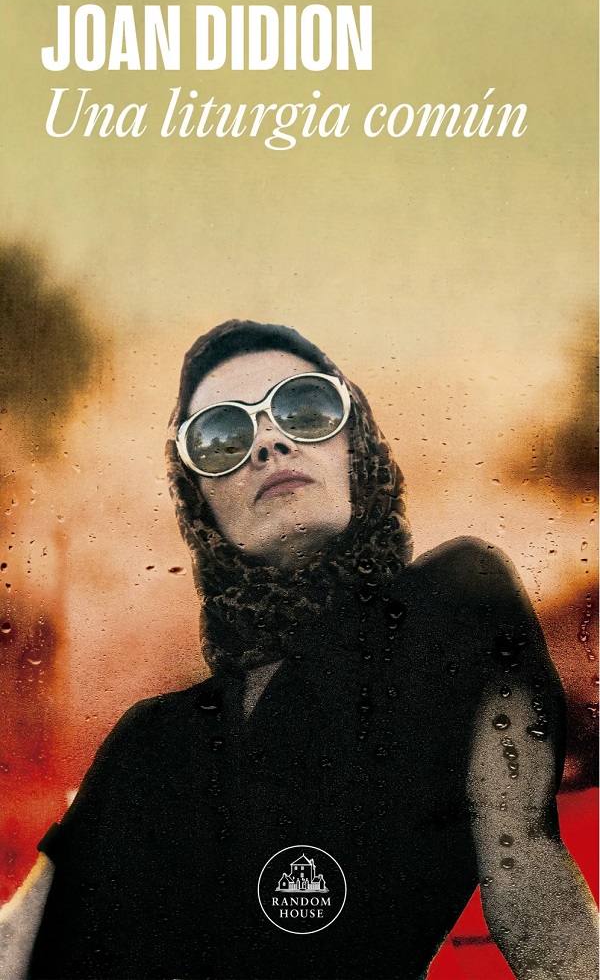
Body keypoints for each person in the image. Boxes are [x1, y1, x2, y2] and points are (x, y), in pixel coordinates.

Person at [1, 320, 597, 979]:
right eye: (222, 438)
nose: (268, 442)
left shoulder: (456, 607)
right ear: (201, 502)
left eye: (305, 408)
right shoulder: (150, 739)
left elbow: (529, 881)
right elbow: (20, 942)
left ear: (354, 448)